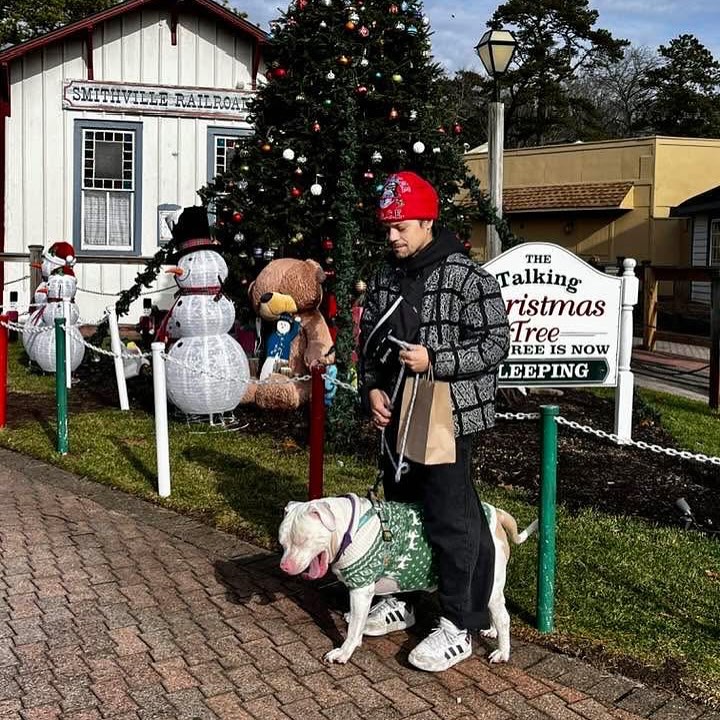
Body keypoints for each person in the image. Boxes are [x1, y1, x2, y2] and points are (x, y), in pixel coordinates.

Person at [359, 171, 510, 672]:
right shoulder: (385, 277)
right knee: (403, 515)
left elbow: (494, 347)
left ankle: (459, 623)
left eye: (401, 226)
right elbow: (370, 349)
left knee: (451, 517)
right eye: (387, 228)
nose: (392, 237)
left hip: (450, 416)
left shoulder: (470, 278)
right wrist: (372, 389)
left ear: (427, 220)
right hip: (397, 415)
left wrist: (436, 360)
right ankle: (404, 600)